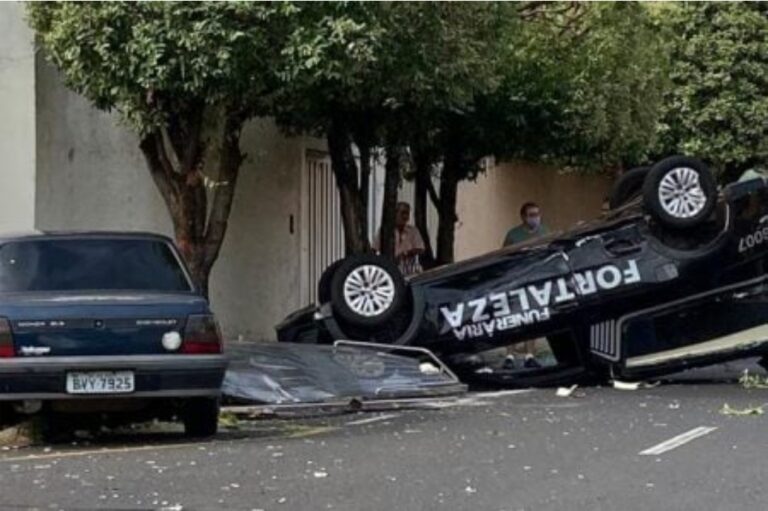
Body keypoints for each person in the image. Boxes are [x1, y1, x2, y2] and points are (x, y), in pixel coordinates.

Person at [502, 201, 550, 369]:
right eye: (531, 215)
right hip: (516, 281)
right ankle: (510, 356)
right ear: (523, 217)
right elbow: (504, 256)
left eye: (537, 214)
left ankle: (530, 356)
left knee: (532, 318)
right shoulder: (513, 235)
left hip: (536, 281)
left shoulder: (545, 232)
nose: (535, 218)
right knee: (514, 318)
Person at [374, 202, 426, 276]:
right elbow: (374, 249)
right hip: (388, 269)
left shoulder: (413, 231)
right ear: (395, 214)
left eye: (407, 213)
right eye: (403, 213)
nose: (405, 216)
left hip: (409, 271)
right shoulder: (385, 231)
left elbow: (420, 249)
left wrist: (405, 254)